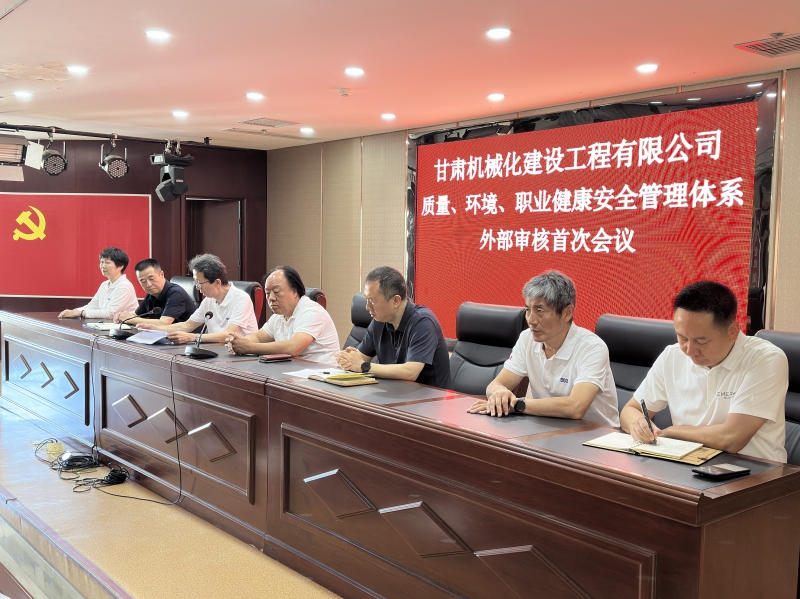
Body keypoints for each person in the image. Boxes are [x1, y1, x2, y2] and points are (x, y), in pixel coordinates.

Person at [620, 280, 788, 462]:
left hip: (753, 471)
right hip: (687, 465)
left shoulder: (765, 359)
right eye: (682, 338)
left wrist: (671, 432)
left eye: (702, 341)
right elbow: (630, 410)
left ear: (732, 331)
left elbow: (732, 438)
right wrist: (638, 425)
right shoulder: (672, 355)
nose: (689, 350)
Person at [467, 271, 619, 426]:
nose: (531, 320)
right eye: (528, 310)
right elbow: (496, 384)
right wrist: (499, 394)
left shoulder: (592, 347)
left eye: (540, 310)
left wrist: (517, 405)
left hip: (597, 434)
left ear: (567, 313)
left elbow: (575, 407)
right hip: (548, 428)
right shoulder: (527, 338)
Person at [335, 266, 451, 389]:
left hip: (429, 397)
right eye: (366, 300)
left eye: (372, 301)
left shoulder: (423, 322)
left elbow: (410, 372)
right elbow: (360, 357)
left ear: (395, 300)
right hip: (394, 392)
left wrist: (364, 366)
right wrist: (347, 360)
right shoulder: (379, 321)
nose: (367, 307)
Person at [227, 266, 339, 364]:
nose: (271, 298)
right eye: (267, 293)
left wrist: (250, 347)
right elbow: (258, 337)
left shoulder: (312, 312)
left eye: (276, 292)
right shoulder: (278, 316)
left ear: (294, 292)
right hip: (293, 372)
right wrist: (239, 342)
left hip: (321, 375)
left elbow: (294, 348)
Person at [138, 253, 258, 344]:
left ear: (217, 282)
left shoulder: (241, 299)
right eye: (195, 282)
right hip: (216, 350)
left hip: (240, 355)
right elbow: (187, 325)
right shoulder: (209, 300)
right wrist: (157, 329)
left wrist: (192, 337)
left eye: (199, 283)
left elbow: (228, 335)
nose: (197, 287)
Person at [59, 247, 138, 319]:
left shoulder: (124, 286)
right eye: (102, 262)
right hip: (106, 325)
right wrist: (74, 311)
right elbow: (93, 306)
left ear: (120, 266)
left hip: (124, 327)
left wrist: (81, 313)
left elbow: (110, 314)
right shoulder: (104, 284)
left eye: (107, 262)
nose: (103, 266)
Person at [113, 259, 197, 326]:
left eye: (151, 279)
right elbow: (135, 315)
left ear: (161, 274)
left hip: (187, 340)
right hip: (163, 337)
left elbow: (164, 323)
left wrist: (129, 319)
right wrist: (121, 316)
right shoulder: (151, 294)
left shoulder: (176, 294)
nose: (148, 284)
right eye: (143, 281)